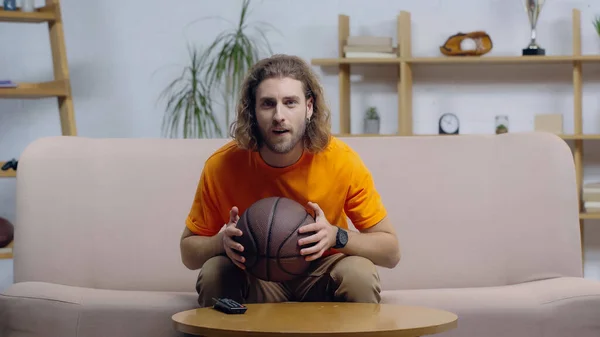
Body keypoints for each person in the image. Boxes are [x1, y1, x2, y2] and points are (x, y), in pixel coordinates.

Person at [180, 54, 400, 307]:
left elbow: (391, 252)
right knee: (214, 271)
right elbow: (189, 253)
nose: (278, 115)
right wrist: (222, 242)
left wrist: (336, 236)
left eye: (290, 102)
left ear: (309, 107)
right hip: (255, 272)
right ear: (252, 110)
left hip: (321, 271)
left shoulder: (342, 161)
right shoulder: (222, 166)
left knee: (359, 273)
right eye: (267, 104)